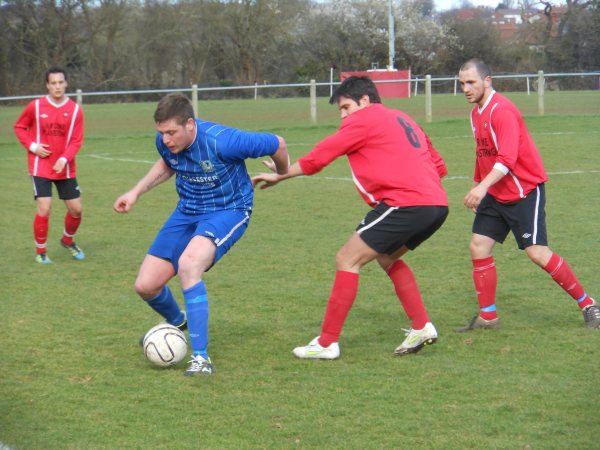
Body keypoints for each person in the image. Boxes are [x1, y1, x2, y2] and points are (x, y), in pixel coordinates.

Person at [252, 76, 449, 359]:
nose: (343, 116)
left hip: (406, 203)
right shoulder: (403, 117)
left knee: (347, 258)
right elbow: (438, 164)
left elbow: (322, 155)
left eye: (346, 107)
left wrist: (281, 174)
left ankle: (326, 343)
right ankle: (421, 327)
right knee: (387, 257)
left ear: (365, 101)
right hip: (437, 205)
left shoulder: (365, 119)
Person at [113, 93, 289, 376]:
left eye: (172, 132)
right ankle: (179, 323)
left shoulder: (225, 141)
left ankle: (201, 358)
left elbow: (277, 143)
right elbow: (167, 164)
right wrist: (135, 192)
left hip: (229, 210)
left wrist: (281, 172)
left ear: (190, 124)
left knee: (189, 264)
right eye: (162, 133)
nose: (166, 139)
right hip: (187, 212)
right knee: (146, 286)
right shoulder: (165, 143)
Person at [456, 58, 599, 331]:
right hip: (495, 193)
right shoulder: (475, 113)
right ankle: (488, 317)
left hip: (523, 191)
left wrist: (482, 187)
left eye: (471, 82)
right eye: (462, 83)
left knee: (537, 253)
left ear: (487, 80)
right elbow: (483, 153)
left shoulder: (503, 110)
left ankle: (589, 304)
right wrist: (478, 183)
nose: (466, 88)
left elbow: (507, 158)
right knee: (479, 246)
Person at [14, 66, 86, 264]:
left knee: (76, 210)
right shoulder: (35, 107)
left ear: (66, 83)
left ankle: (67, 240)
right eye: (53, 83)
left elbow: (76, 140)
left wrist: (64, 159)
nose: (57, 87)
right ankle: (41, 252)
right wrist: (33, 146)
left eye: (61, 82)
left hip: (66, 167)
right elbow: (20, 127)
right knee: (44, 207)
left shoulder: (75, 110)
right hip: (41, 166)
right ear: (47, 85)